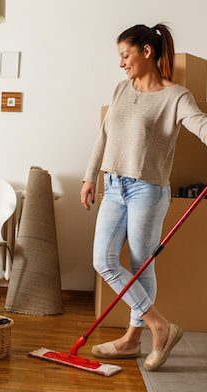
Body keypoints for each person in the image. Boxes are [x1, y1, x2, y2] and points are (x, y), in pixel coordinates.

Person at [80, 23, 207, 371]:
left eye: (125, 55)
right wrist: (90, 176)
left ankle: (134, 338)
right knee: (103, 260)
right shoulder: (122, 89)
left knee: (140, 265)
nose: (121, 63)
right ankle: (158, 326)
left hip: (147, 191)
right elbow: (103, 136)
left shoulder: (175, 96)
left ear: (146, 52)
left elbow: (200, 124)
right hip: (113, 187)